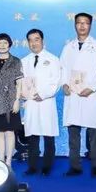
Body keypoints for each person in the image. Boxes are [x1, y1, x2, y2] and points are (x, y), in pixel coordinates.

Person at [60, 12, 96, 176]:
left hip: (89, 94)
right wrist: (64, 84)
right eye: (79, 22)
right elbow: (63, 69)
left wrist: (92, 88)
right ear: (75, 25)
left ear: (90, 25)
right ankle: (75, 166)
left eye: (85, 23)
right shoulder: (68, 47)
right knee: (73, 132)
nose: (82, 26)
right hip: (72, 94)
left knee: (93, 132)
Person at [21, 29, 62, 175]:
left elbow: (56, 81)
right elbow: (21, 83)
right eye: (30, 40)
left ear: (42, 41)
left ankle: (47, 166)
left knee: (48, 135)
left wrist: (43, 94)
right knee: (32, 135)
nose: (34, 43)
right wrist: (24, 94)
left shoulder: (53, 59)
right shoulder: (24, 61)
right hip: (31, 102)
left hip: (46, 101)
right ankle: (32, 166)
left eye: (36, 39)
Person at [0, 33, 23, 167]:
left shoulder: (16, 61)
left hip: (11, 100)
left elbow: (19, 83)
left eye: (5, 43)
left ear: (9, 45)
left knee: (10, 132)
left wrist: (17, 100)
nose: (2, 45)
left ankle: (9, 161)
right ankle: (1, 161)